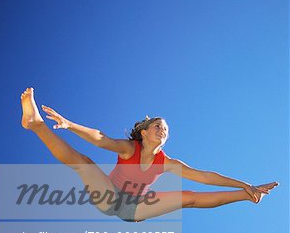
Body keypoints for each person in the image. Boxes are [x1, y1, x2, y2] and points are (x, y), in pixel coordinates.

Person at [20, 87, 278, 222]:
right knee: (85, 163)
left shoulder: (165, 162)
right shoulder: (129, 148)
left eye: (165, 129)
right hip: (109, 196)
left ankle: (247, 197)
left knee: (189, 197)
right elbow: (101, 139)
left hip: (133, 208)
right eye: (157, 125)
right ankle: (36, 125)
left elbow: (206, 177)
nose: (162, 130)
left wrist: (246, 186)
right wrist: (69, 124)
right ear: (143, 132)